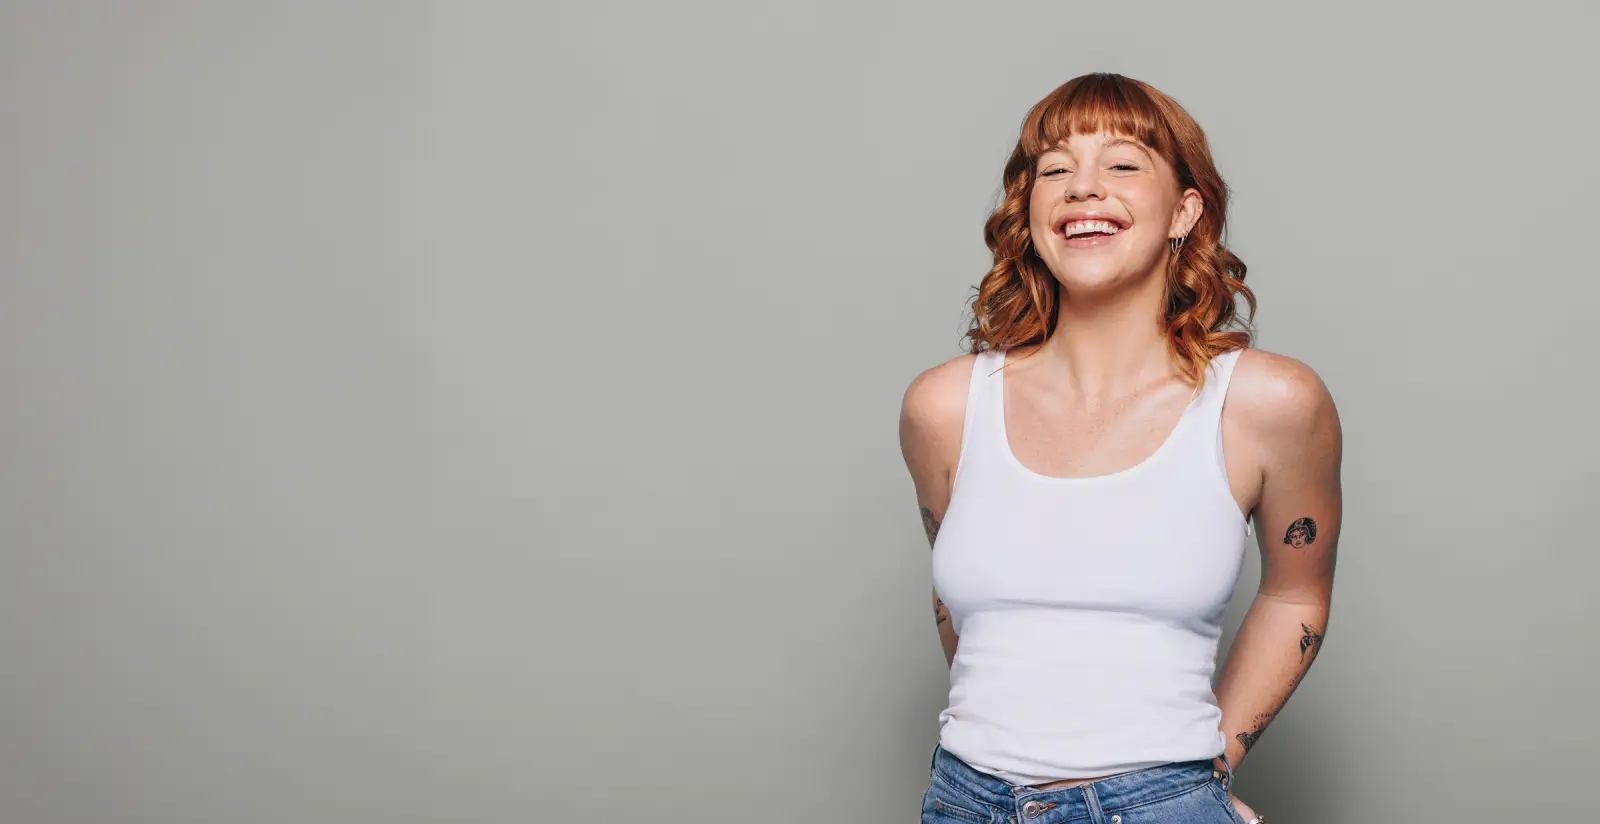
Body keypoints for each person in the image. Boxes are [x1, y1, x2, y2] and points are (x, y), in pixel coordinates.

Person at [899, 73, 1341, 824]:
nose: (1083, 187)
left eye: (1124, 164)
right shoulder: (943, 407)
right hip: (962, 801)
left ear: (1184, 211)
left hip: (1158, 804)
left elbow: (1296, 594)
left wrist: (1209, 770)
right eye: (1056, 169)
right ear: (1029, 210)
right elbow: (959, 604)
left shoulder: (1268, 403)